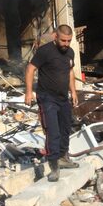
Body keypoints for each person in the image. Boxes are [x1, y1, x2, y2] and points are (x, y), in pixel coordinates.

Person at [25, 25, 80, 182]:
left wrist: (73, 92)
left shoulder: (70, 52)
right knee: (53, 132)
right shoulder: (45, 51)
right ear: (55, 37)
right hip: (47, 97)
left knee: (65, 129)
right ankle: (54, 166)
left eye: (69, 41)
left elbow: (70, 72)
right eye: (63, 40)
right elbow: (30, 69)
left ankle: (63, 157)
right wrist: (29, 92)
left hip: (63, 98)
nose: (66, 44)